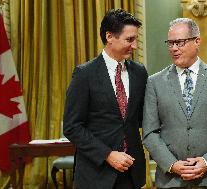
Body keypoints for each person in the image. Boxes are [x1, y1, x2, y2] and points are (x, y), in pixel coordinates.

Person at [142, 17, 207, 189]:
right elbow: (150, 132)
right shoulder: (155, 82)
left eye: (179, 42)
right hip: (171, 180)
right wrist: (172, 164)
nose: (173, 48)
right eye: (170, 43)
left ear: (197, 41)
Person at [63, 9, 148, 189]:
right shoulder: (84, 74)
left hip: (131, 173)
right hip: (96, 174)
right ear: (110, 36)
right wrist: (108, 154)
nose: (135, 46)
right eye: (129, 40)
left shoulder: (139, 73)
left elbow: (143, 118)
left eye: (135, 40)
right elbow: (72, 127)